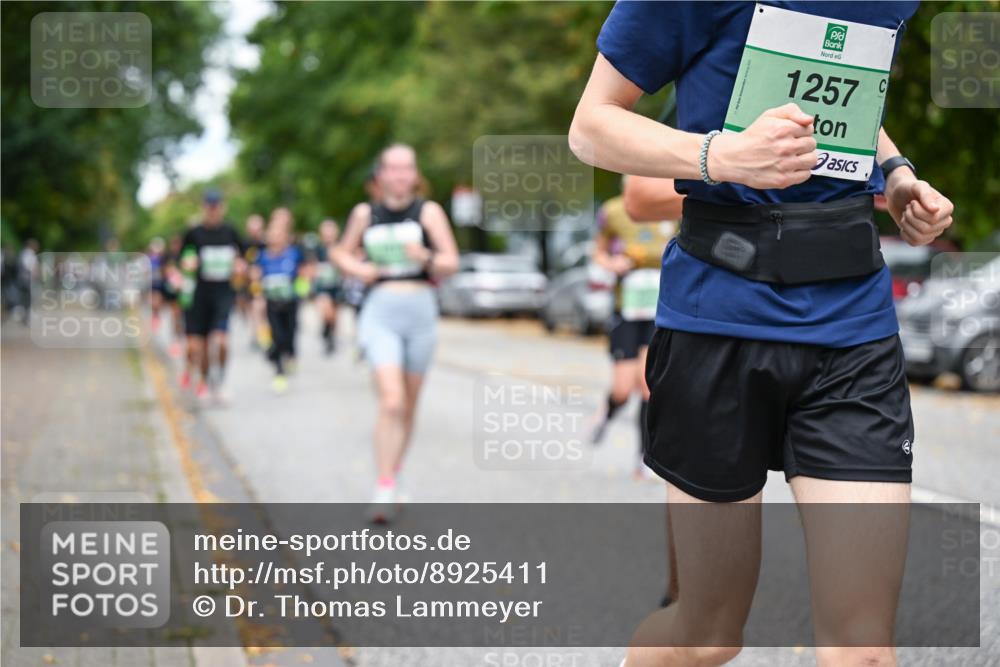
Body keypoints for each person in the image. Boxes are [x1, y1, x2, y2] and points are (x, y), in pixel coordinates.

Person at [571, 2, 954, 666]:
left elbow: (845, 84)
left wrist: (895, 173)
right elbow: (590, 127)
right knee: (708, 637)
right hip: (718, 317)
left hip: (852, 327)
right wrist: (721, 155)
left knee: (864, 650)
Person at [332, 144, 459, 523]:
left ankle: (395, 469)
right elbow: (339, 253)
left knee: (409, 406)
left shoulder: (429, 212)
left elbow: (451, 262)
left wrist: (426, 257)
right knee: (391, 401)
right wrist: (360, 270)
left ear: (414, 174)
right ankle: (384, 486)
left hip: (420, 313)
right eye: (394, 168)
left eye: (407, 168)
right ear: (382, 174)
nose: (401, 175)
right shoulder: (365, 213)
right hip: (380, 312)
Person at [590, 181, 679, 479]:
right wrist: (612, 263)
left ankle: (644, 457)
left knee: (648, 385)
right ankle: (607, 412)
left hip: (659, 310)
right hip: (627, 309)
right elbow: (598, 252)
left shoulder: (672, 204)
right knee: (622, 389)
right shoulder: (613, 211)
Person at [179, 189, 245, 403]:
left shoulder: (230, 232)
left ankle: (222, 381)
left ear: (223, 208)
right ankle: (206, 381)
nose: (213, 211)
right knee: (201, 347)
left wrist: (241, 265)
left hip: (223, 294)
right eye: (209, 206)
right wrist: (187, 263)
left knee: (222, 341)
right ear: (204, 207)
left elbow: (245, 256)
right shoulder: (193, 233)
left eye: (216, 206)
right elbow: (182, 259)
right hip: (199, 295)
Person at [253, 209, 306, 393]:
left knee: (290, 334)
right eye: (273, 234)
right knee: (277, 336)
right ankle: (279, 371)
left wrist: (302, 287)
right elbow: (256, 276)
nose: (276, 237)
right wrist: (258, 294)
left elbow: (303, 272)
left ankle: (291, 354)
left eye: (279, 234)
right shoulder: (262, 256)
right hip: (272, 303)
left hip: (290, 301)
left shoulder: (293, 253)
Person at [312, 219, 342, 355]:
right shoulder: (318, 249)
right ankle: (326, 330)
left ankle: (331, 336)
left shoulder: (341, 247)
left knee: (334, 315)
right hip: (322, 286)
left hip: (337, 285)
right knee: (327, 311)